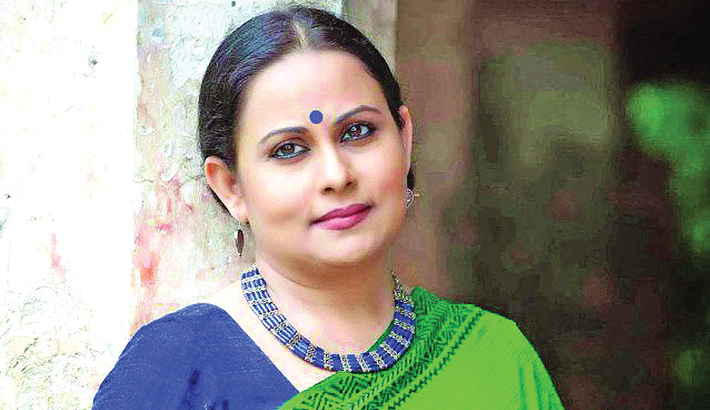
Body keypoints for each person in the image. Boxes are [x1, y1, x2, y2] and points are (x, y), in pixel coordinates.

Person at [92, 5, 564, 409]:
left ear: (404, 139)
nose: (337, 176)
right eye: (289, 149)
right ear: (231, 187)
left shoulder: (495, 360)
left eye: (357, 132)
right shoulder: (177, 372)